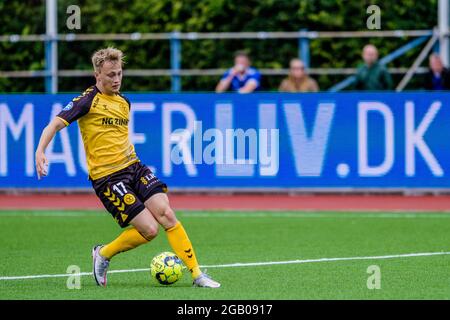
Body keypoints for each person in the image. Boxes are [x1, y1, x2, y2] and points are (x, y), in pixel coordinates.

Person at [34, 47, 220, 288]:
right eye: (110, 75)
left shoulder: (124, 102)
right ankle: (103, 253)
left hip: (134, 166)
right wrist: (40, 151)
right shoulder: (87, 100)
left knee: (167, 214)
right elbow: (54, 125)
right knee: (150, 230)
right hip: (108, 177)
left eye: (119, 73)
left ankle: (197, 275)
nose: (116, 79)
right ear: (97, 75)